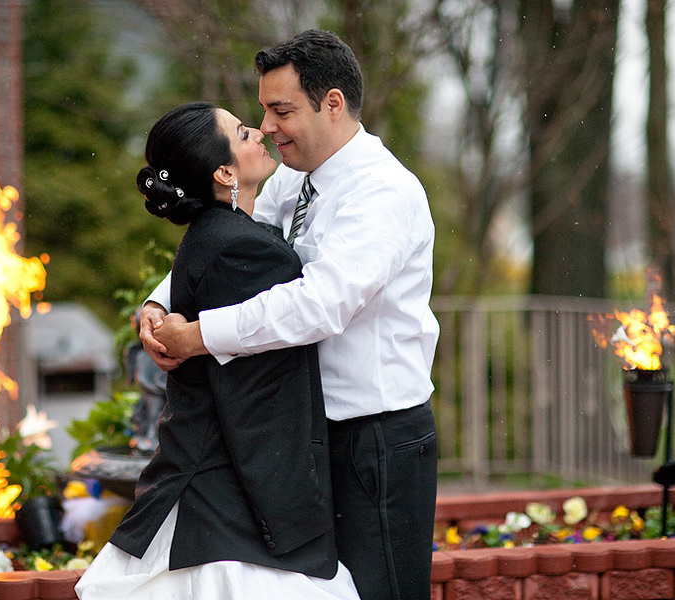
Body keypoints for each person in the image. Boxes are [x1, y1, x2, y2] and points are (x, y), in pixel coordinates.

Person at [141, 30, 439, 600]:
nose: (269, 127)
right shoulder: (296, 176)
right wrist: (160, 304)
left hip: (376, 439)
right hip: (309, 436)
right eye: (264, 111)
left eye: (282, 111)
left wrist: (199, 335)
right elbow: (233, 234)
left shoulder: (383, 192)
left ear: (333, 103)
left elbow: (319, 304)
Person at [75, 102, 361, 600]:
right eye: (245, 132)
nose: (261, 133)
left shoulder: (213, 233)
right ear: (225, 173)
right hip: (232, 493)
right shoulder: (243, 248)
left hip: (208, 477)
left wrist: (159, 305)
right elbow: (258, 401)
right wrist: (291, 508)